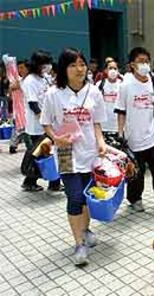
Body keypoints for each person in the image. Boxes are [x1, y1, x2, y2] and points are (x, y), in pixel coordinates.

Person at [40, 48, 106, 266]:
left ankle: (86, 230)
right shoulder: (53, 94)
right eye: (72, 65)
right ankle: (79, 244)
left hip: (90, 153)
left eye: (82, 64)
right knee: (75, 197)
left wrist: (101, 142)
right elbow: (46, 122)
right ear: (63, 69)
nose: (79, 69)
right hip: (67, 153)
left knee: (88, 196)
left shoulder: (94, 91)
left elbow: (96, 123)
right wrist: (55, 138)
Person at [115, 47, 154, 217]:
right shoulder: (125, 85)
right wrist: (120, 133)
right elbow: (121, 111)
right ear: (132, 64)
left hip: (153, 135)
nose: (145, 64)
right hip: (133, 138)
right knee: (136, 172)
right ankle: (135, 199)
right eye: (141, 61)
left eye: (146, 61)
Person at [21, 50, 62, 192]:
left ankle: (54, 183)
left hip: (49, 123)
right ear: (37, 64)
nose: (48, 66)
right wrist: (45, 122)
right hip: (37, 126)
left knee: (50, 154)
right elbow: (33, 105)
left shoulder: (44, 77)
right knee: (41, 155)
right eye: (45, 63)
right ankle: (30, 181)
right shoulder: (30, 81)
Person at [9, 59, 31, 154]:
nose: (20, 70)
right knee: (20, 129)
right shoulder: (20, 80)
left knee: (25, 130)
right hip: (21, 111)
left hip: (30, 111)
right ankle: (14, 145)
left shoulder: (31, 80)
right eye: (18, 68)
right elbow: (11, 91)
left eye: (22, 67)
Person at [96, 60, 122, 135]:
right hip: (104, 127)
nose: (113, 71)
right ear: (105, 70)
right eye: (110, 68)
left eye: (115, 68)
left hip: (119, 127)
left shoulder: (122, 84)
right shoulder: (99, 85)